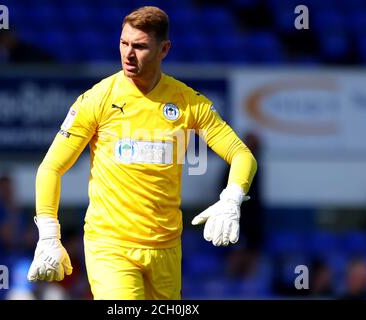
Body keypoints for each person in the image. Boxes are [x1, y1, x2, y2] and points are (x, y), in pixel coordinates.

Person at [27, 6, 257, 300]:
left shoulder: (188, 103)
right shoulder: (97, 99)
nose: (128, 54)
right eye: (124, 43)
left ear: (164, 49)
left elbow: (242, 155)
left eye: (139, 46)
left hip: (166, 248)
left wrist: (232, 198)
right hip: (111, 246)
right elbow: (50, 168)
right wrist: (48, 234)